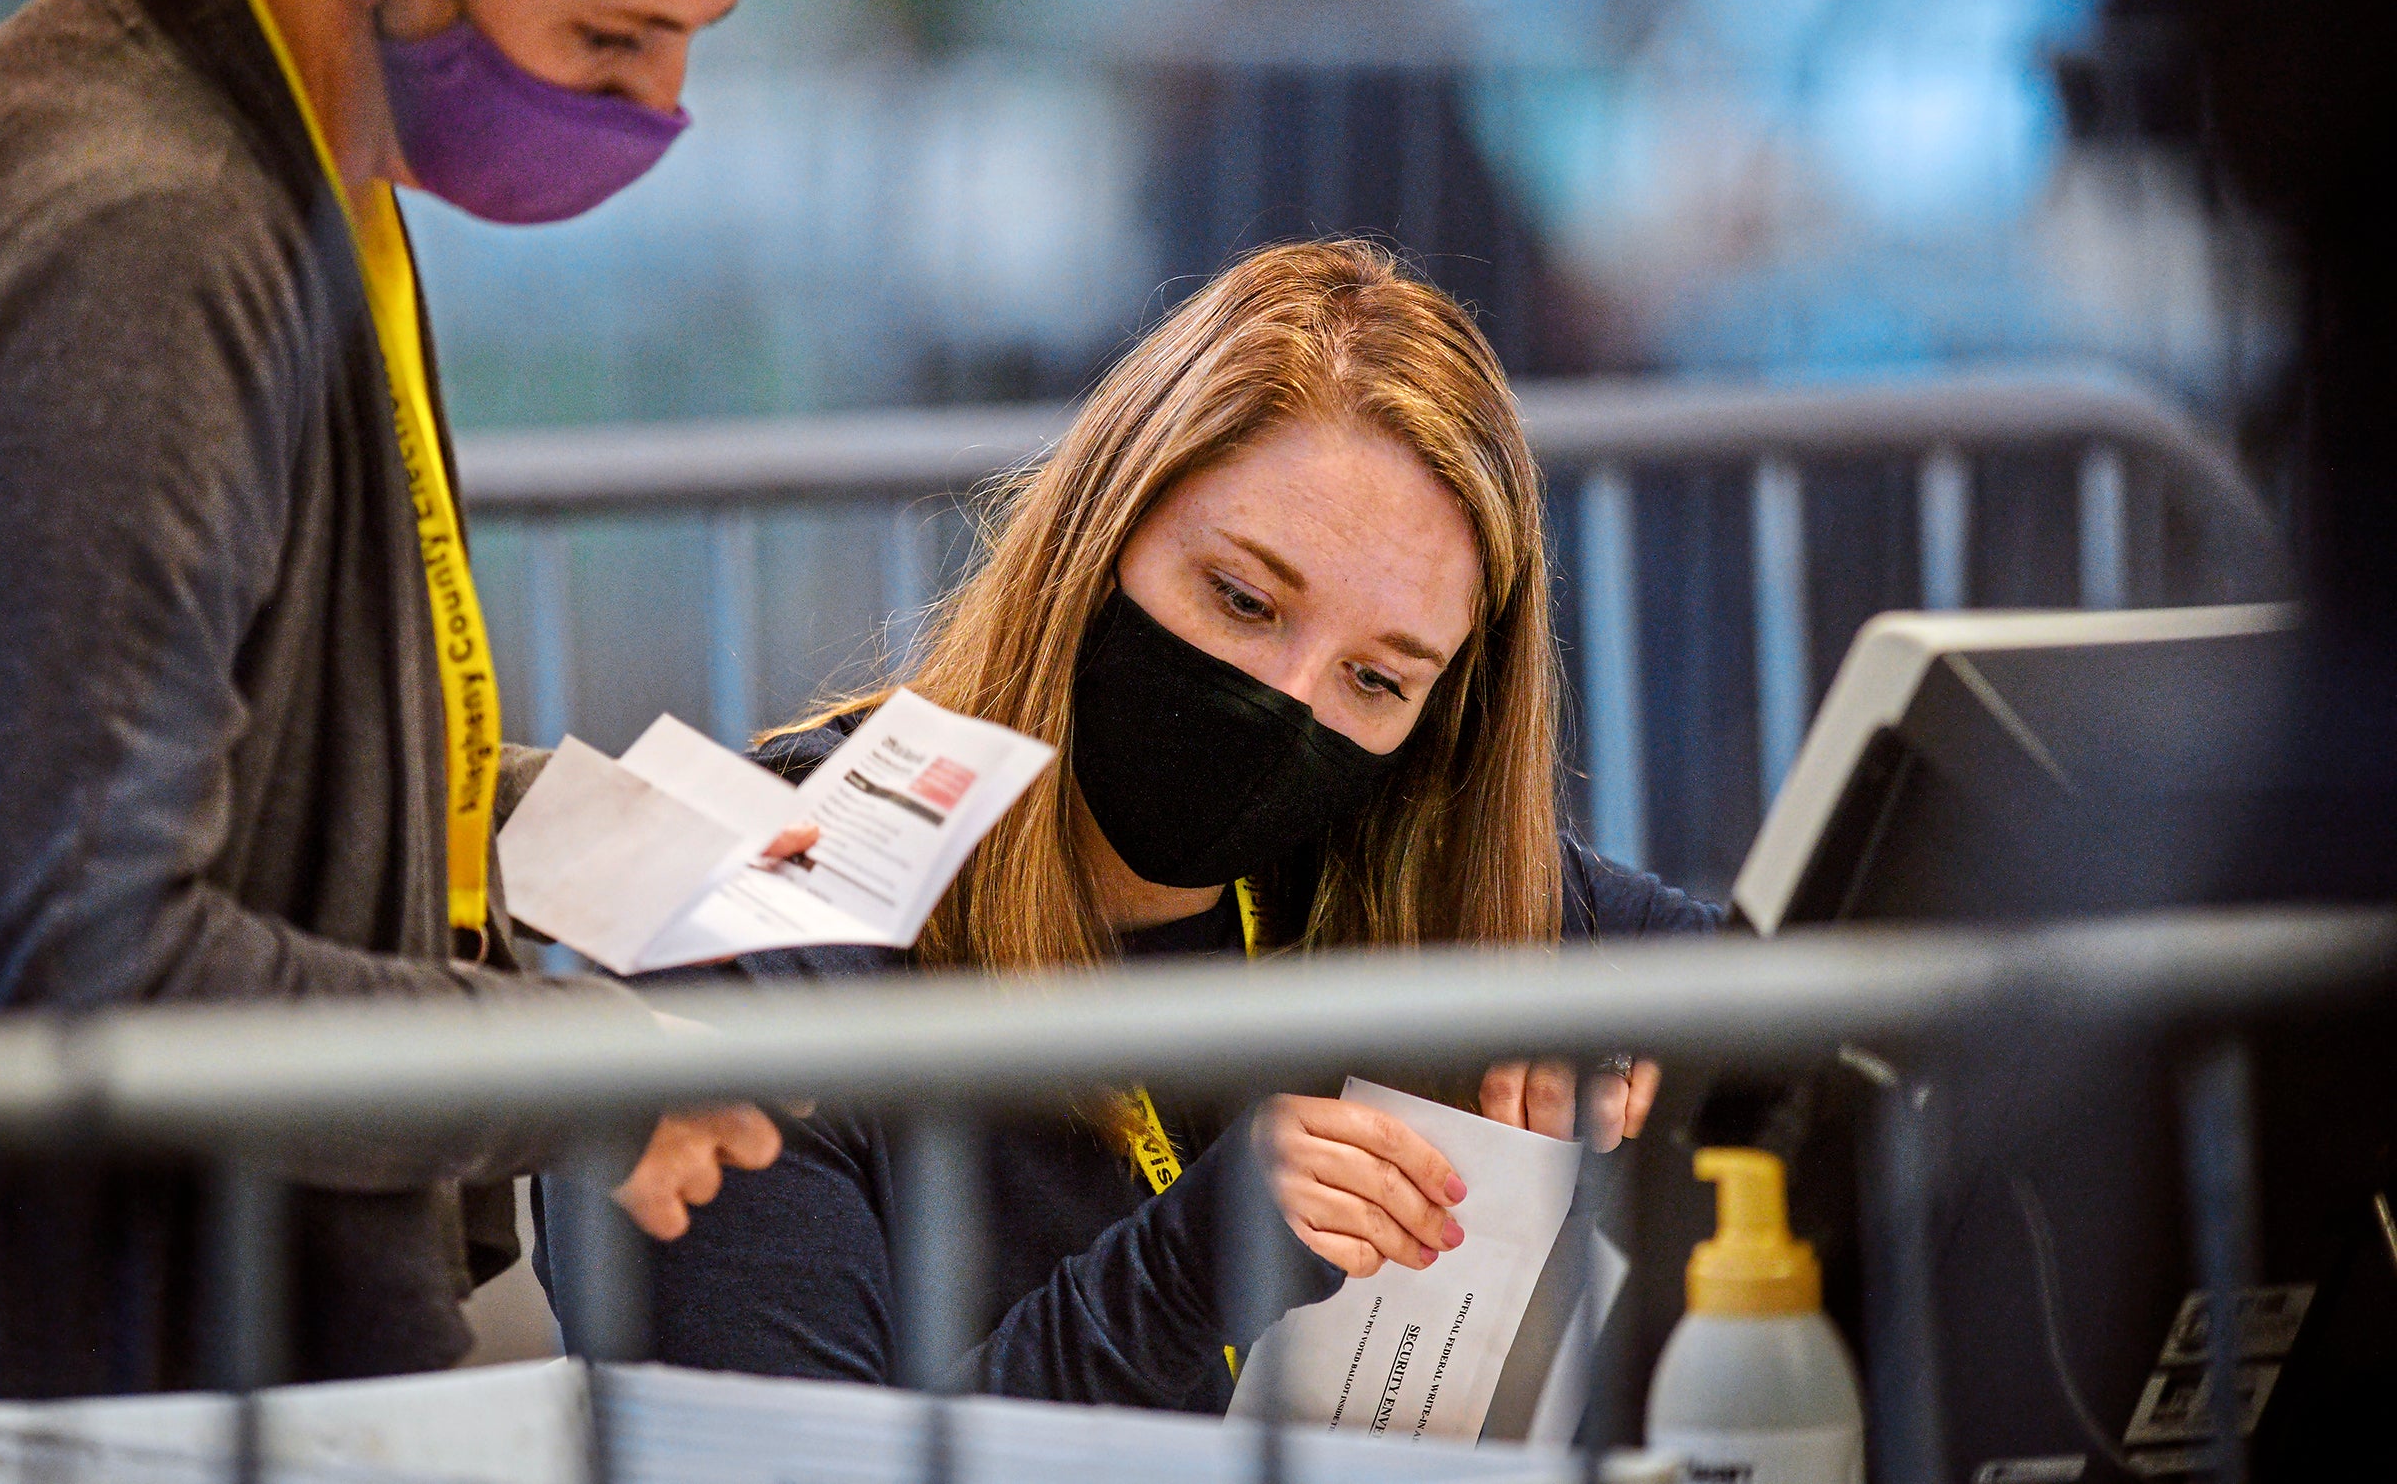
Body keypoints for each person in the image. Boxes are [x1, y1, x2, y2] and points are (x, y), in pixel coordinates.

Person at [0, 0, 810, 1461]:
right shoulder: (145, 236)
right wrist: (577, 1072)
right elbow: (77, 945)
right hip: (34, 1362)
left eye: (691, 43)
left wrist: (622, 846)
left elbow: (237, 748)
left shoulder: (290, 136)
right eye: (609, 35)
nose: (658, 112)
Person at [537, 238, 1721, 1411]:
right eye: (1242, 601)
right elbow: (782, 1467)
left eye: (1376, 681)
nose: (1288, 702)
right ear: (1095, 544)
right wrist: (1181, 1276)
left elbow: (1799, 977)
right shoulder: (745, 936)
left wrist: (1690, 1079)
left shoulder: (1399, 859)